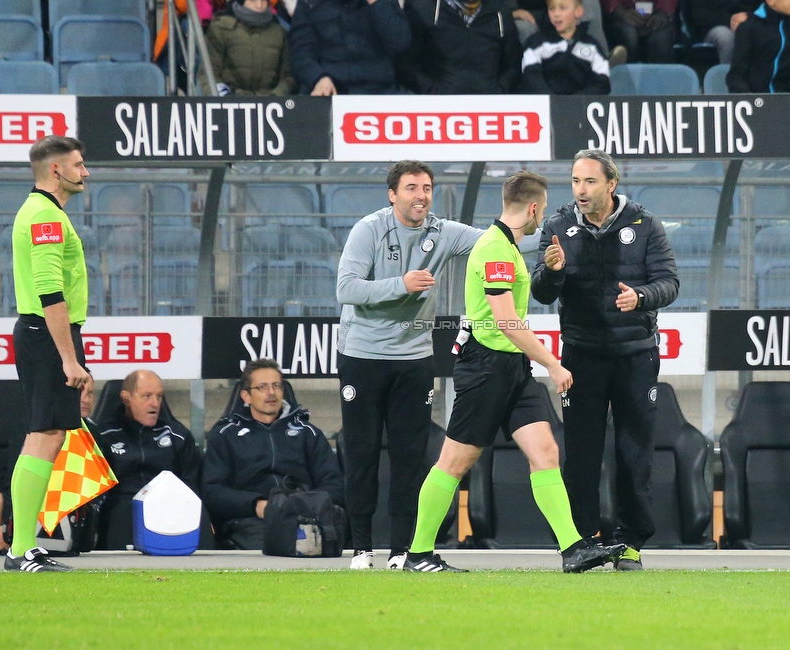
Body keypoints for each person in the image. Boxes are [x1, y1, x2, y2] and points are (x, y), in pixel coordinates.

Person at [404, 171, 627, 573]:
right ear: (534, 207)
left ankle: (573, 549)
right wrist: (553, 363)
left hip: (512, 368)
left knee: (545, 451)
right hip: (486, 367)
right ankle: (418, 554)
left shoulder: (506, 246)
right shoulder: (494, 249)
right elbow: (506, 322)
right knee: (454, 462)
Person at [336, 160, 539, 570]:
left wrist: (550, 240)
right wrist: (401, 285)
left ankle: (400, 551)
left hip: (414, 358)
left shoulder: (441, 231)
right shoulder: (369, 230)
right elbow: (346, 287)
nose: (421, 195)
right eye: (411, 188)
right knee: (362, 453)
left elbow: (495, 240)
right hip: (363, 356)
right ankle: (360, 549)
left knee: (411, 457)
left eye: (426, 187)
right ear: (392, 195)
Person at [530, 149, 679, 571]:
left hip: (635, 355)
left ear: (611, 185)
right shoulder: (557, 226)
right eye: (576, 181)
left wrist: (642, 297)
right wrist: (553, 271)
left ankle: (630, 543)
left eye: (589, 181)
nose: (581, 189)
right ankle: (583, 543)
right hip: (581, 356)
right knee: (580, 454)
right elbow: (541, 291)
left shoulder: (645, 224)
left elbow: (669, 282)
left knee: (635, 453)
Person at [3, 135, 91, 572]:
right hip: (47, 335)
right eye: (78, 164)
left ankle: (23, 547)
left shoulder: (44, 213)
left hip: (45, 334)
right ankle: (19, 550)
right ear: (56, 171)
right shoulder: (45, 218)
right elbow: (50, 292)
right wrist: (69, 358)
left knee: (49, 434)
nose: (85, 171)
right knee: (42, 436)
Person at [202, 359, 344, 550]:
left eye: (276, 386)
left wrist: (304, 503)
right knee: (278, 544)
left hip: (306, 517)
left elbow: (335, 485)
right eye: (262, 387)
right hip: (251, 521)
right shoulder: (224, 435)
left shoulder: (308, 433)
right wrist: (255, 505)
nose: (271, 393)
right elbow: (212, 491)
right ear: (246, 396)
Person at [0, 374, 96, 554]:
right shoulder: (32, 431)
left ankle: (19, 541)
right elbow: (9, 480)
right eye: (80, 392)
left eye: (90, 394)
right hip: (22, 507)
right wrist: (7, 529)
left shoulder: (96, 437)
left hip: (67, 510)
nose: (85, 400)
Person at [95, 370, 208, 550]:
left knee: (198, 512)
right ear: (126, 398)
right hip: (122, 510)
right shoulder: (103, 436)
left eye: (159, 396)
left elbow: (191, 484)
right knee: (122, 511)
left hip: (171, 507)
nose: (155, 403)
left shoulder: (177, 435)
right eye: (147, 396)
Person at [396, 0, 523, 94]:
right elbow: (404, 64)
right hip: (437, 111)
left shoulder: (501, 12)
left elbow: (513, 65)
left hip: (490, 111)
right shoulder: (423, 9)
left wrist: (498, 90)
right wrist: (433, 91)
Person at [288, 0, 411, 95]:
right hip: (331, 90)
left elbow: (400, 43)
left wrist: (377, 4)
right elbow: (301, 54)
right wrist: (318, 78)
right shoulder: (309, 3)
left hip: (380, 90)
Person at [201, 0, 298, 96]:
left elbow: (289, 76)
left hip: (269, 103)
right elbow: (208, 72)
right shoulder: (220, 29)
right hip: (229, 103)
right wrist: (225, 96)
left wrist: (275, 96)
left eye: (264, 1)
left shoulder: (280, 33)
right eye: (253, 0)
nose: (259, 5)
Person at [520, 0, 612, 94]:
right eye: (552, 8)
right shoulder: (535, 43)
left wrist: (574, 102)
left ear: (578, 11)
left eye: (563, 8)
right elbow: (531, 77)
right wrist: (553, 101)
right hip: (545, 105)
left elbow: (602, 83)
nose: (556, 14)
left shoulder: (592, 46)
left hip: (580, 106)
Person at [726, 0, 790, 93]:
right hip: (753, 101)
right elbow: (736, 75)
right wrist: (752, 101)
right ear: (770, 1)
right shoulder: (749, 28)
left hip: (787, 102)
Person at [601, 0, 676, 64]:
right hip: (619, 15)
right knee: (629, 35)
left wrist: (663, 11)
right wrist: (618, 11)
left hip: (655, 14)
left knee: (661, 39)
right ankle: (626, 78)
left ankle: (658, 79)